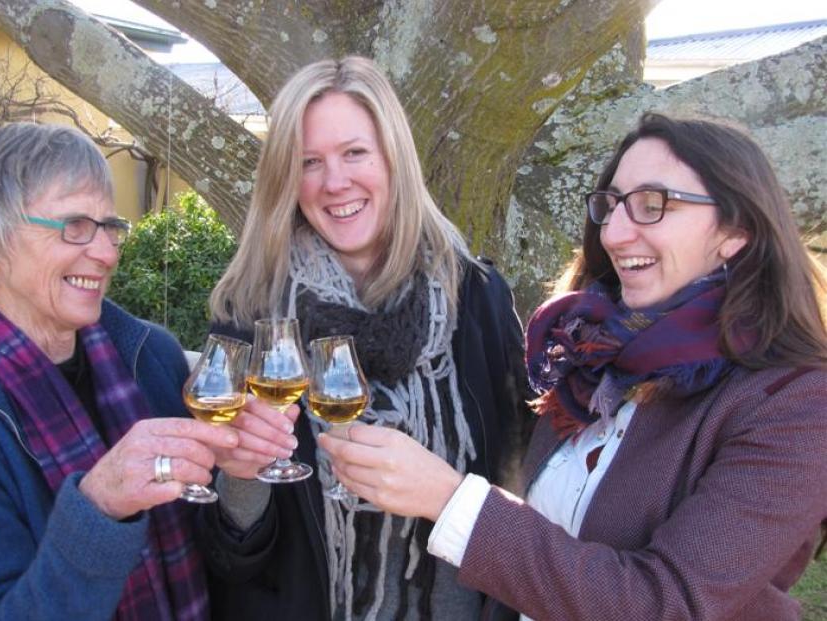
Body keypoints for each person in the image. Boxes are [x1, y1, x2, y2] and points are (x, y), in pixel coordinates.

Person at [320, 112, 827, 620]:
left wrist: (452, 502)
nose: (615, 233)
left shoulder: (796, 403)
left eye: (653, 206)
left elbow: (665, 605)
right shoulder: (591, 360)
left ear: (735, 231)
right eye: (613, 206)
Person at [196, 56, 533, 620]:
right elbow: (229, 557)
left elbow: (520, 487)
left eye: (355, 153)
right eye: (309, 162)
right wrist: (241, 473)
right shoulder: (250, 313)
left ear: (394, 160)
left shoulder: (476, 297)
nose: (335, 183)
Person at [0, 122, 239, 620]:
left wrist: (243, 478)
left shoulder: (151, 356)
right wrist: (97, 510)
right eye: (74, 226)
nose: (107, 251)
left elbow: (220, 553)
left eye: (109, 226)